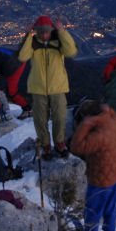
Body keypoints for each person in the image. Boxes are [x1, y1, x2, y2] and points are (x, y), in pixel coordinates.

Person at [18, 15, 77, 160]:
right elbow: (23, 57)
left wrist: (62, 32)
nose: (44, 35)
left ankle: (59, 143)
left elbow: (71, 52)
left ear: (51, 30)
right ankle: (45, 145)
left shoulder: (58, 42)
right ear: (36, 31)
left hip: (57, 87)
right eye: (41, 32)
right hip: (38, 89)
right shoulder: (33, 42)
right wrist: (28, 36)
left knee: (59, 117)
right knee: (40, 119)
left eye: (46, 31)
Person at [70, 100, 116, 231]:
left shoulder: (98, 136)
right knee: (109, 211)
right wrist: (106, 112)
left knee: (92, 213)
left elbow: (76, 147)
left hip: (100, 181)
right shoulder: (115, 122)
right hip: (114, 176)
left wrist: (86, 124)